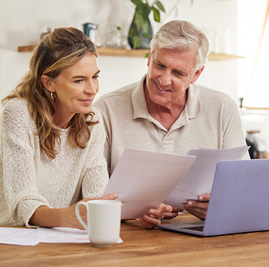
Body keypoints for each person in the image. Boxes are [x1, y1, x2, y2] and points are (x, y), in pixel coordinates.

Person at [95, 20, 249, 228]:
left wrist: (222, 203)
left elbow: (244, 185)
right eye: (160, 65)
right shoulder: (106, 109)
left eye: (178, 73)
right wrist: (132, 212)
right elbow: (93, 194)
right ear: (149, 57)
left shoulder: (222, 108)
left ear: (196, 74)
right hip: (128, 238)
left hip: (202, 239)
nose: (164, 80)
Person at [0, 27, 117, 229]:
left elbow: (99, 196)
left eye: (95, 77)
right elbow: (23, 201)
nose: (92, 90)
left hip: (47, 237)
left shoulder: (92, 121)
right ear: (48, 83)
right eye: (79, 80)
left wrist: (135, 209)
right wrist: (68, 218)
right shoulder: (18, 114)